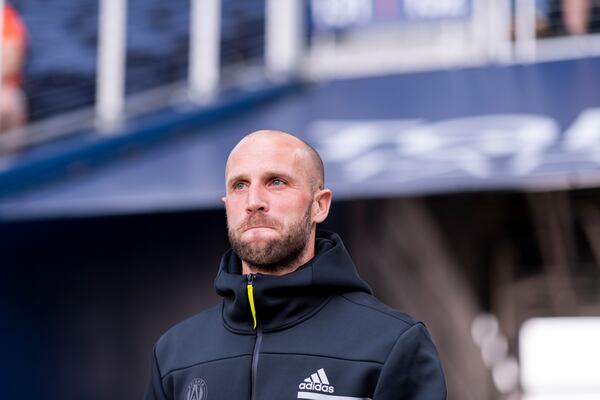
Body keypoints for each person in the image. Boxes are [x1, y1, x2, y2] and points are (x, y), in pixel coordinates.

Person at [144, 130, 447, 400]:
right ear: (227, 205)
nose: (254, 201)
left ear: (319, 205)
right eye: (239, 185)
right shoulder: (175, 353)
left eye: (276, 182)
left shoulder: (391, 344)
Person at [1, 3, 27, 133]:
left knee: (7, 102)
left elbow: (11, 54)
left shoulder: (3, 13)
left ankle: (13, 153)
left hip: (4, 87)